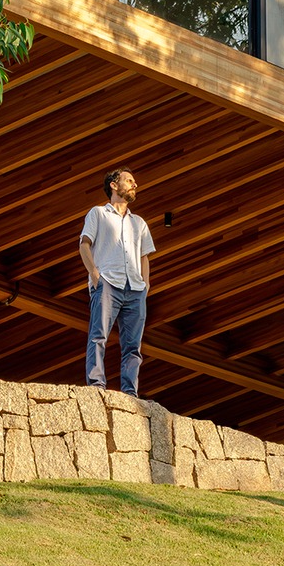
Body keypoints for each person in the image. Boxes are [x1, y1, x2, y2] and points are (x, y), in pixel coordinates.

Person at [79, 165, 155, 396]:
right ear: (114, 185)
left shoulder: (139, 223)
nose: (135, 184)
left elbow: (144, 255)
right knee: (98, 336)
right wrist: (94, 273)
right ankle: (96, 386)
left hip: (135, 288)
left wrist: (146, 283)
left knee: (133, 346)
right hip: (108, 283)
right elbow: (84, 244)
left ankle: (130, 392)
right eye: (129, 180)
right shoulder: (98, 213)